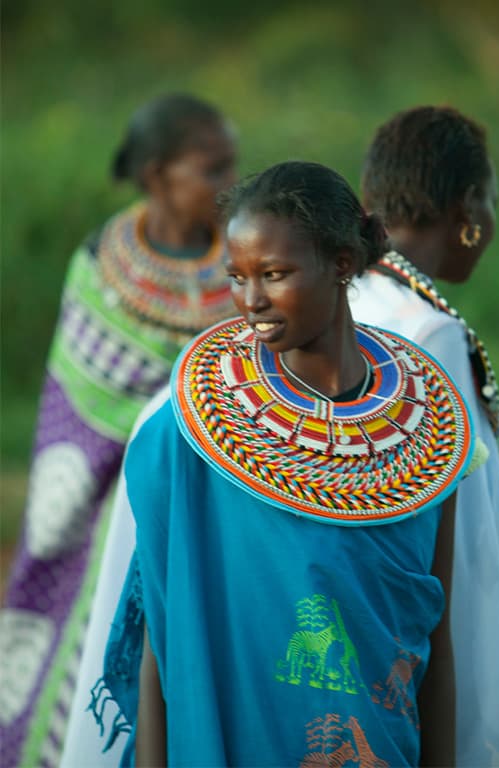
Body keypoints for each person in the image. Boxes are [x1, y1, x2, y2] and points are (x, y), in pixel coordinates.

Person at [83, 161, 473, 766]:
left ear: (342, 264)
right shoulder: (189, 437)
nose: (251, 300)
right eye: (237, 277)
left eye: (274, 273)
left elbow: (434, 644)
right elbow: (167, 645)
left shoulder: (426, 436)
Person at [0, 93, 236, 768]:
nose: (228, 185)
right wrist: (167, 419)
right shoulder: (101, 263)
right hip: (108, 495)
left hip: (209, 496)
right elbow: (81, 395)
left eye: (231, 168)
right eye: (211, 170)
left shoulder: (246, 261)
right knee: (95, 622)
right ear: (159, 176)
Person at [351, 105, 499, 766]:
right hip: (425, 628)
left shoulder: (346, 298)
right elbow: (465, 532)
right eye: (493, 199)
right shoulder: (430, 333)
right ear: (467, 208)